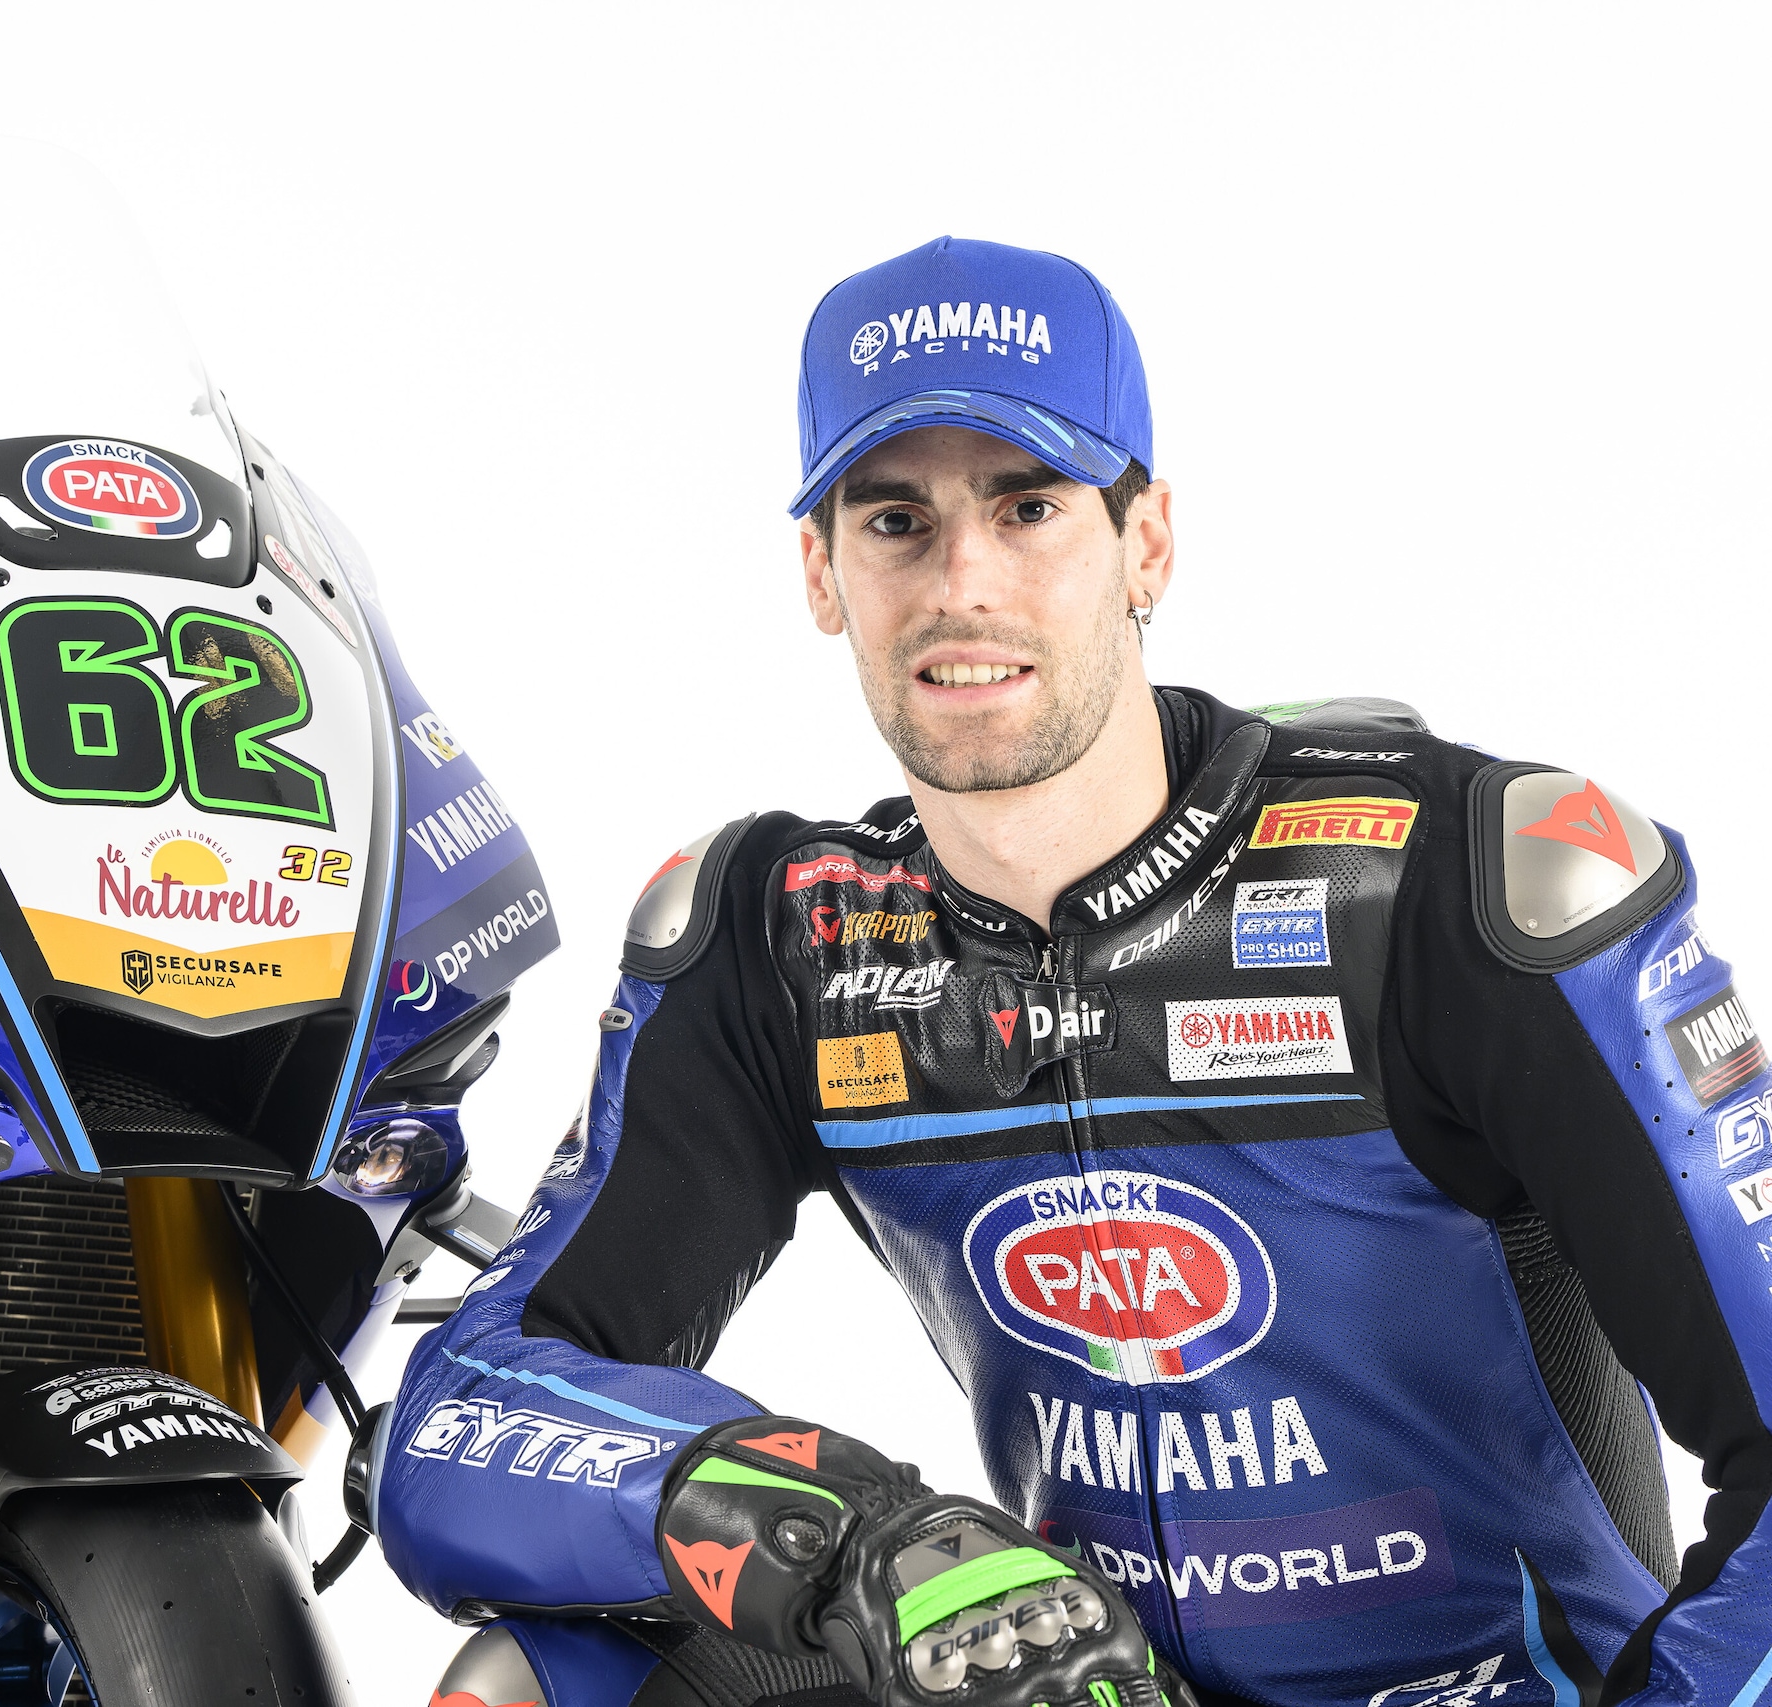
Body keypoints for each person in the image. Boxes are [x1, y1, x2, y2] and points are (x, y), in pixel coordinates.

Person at [371, 236, 1772, 1707]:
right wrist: (854, 1537)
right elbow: (463, 1420)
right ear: (823, 574)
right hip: (1086, 1689)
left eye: (1028, 506)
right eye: (896, 520)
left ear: (1146, 543)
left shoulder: (1471, 884)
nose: (962, 582)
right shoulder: (782, 944)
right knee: (536, 1680)